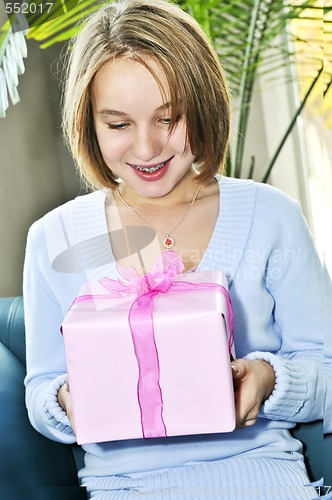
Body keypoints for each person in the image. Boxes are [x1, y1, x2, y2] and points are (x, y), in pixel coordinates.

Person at [23, 0, 332, 498]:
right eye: (117, 124)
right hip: (123, 488)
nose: (146, 150)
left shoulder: (271, 217)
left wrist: (268, 379)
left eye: (169, 118)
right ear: (89, 123)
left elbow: (327, 369)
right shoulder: (52, 239)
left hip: (263, 479)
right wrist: (70, 399)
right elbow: (40, 390)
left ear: (204, 106)